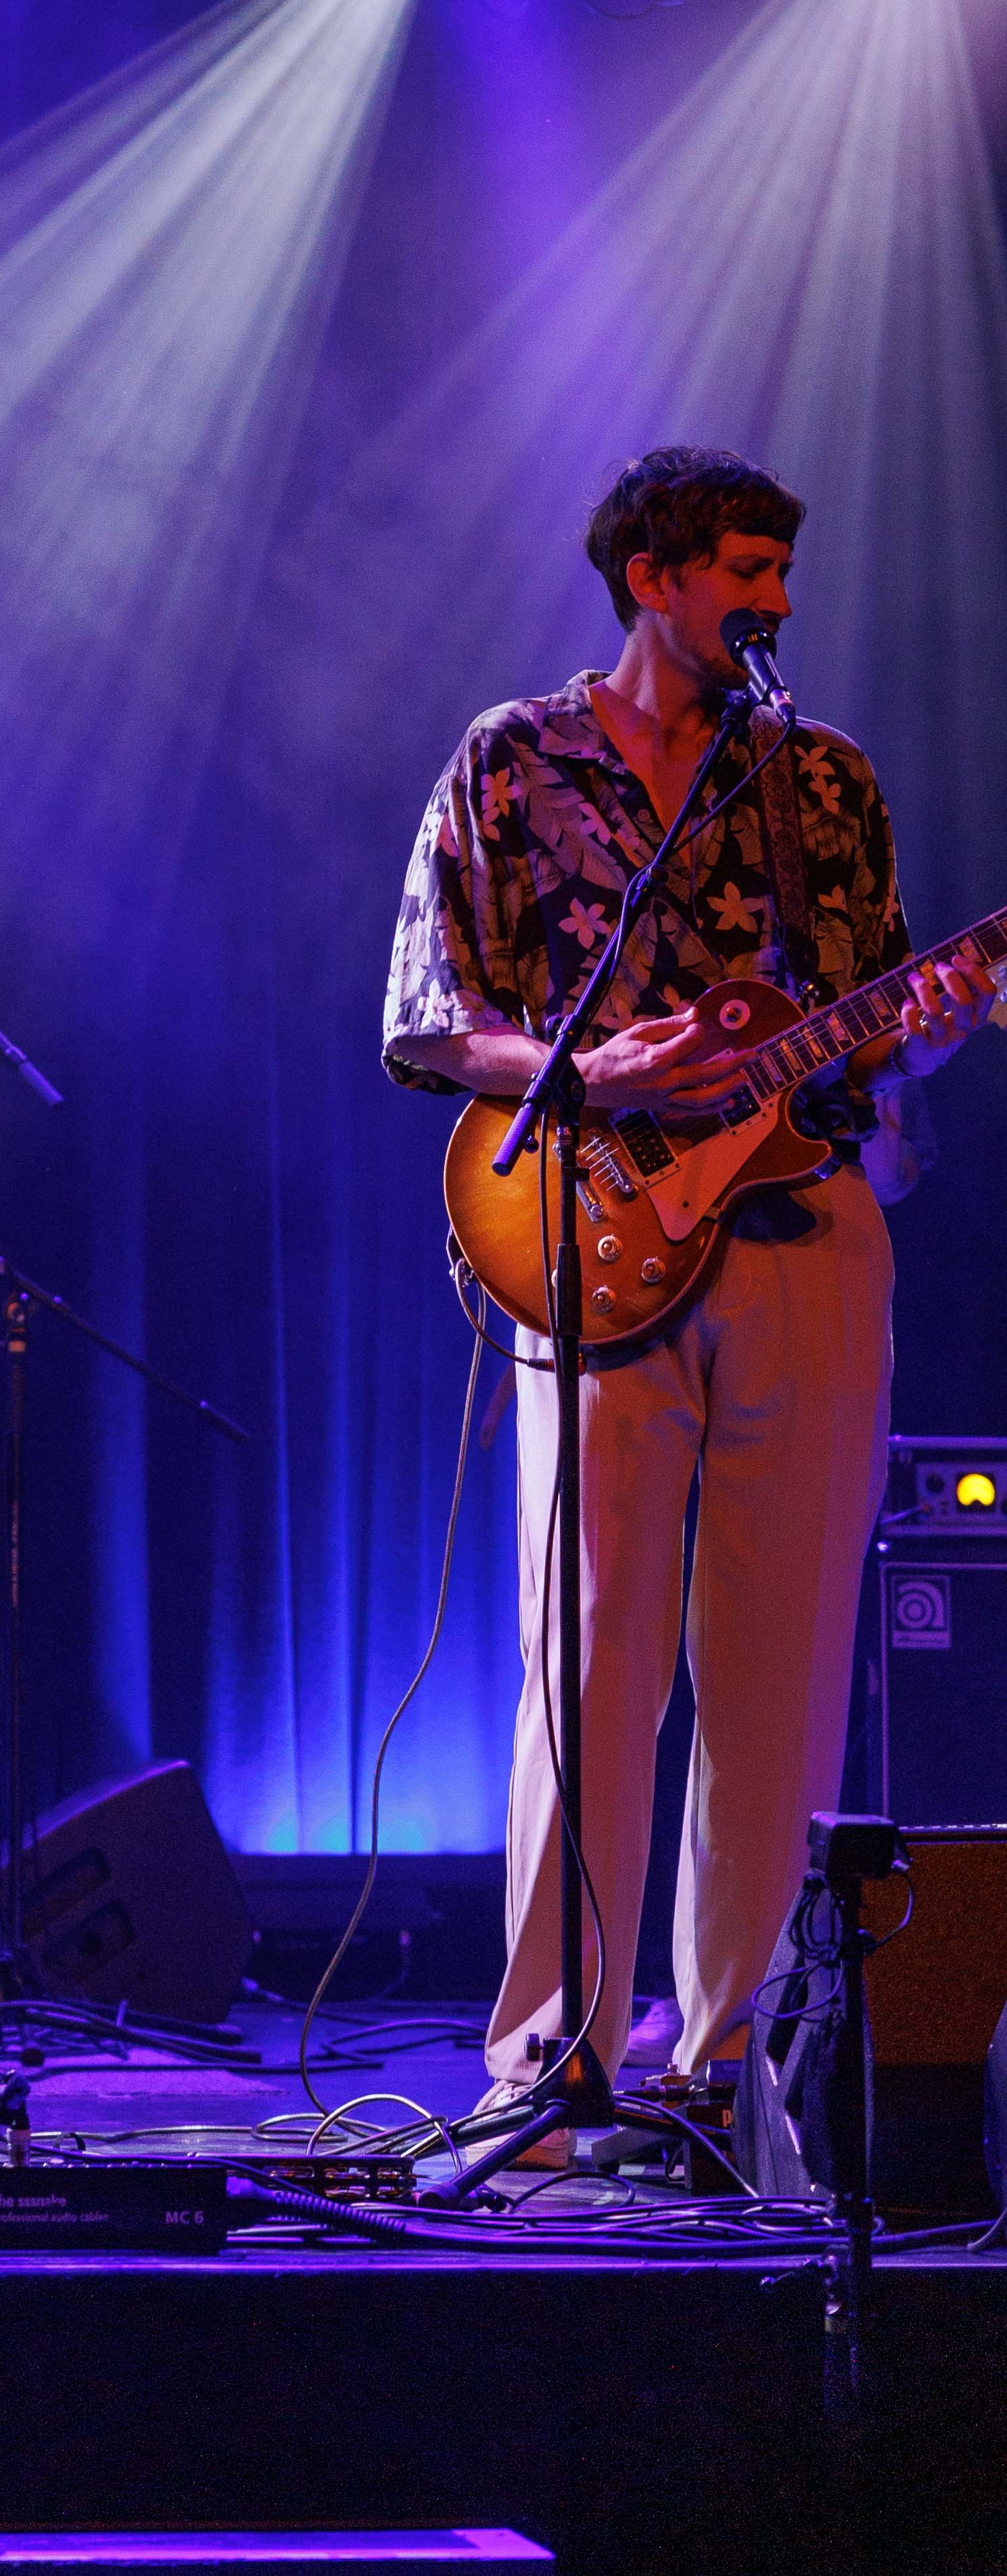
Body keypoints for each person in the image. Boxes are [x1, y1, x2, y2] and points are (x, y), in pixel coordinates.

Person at [383, 446, 991, 2120]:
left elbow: (869, 1020)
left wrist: (928, 1012)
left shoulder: (826, 783)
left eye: (784, 573)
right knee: (586, 1658)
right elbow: (428, 1016)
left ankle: (730, 2062)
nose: (775, 600)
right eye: (742, 568)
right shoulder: (509, 761)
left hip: (801, 1235)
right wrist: (595, 1083)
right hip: (589, 1239)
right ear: (650, 575)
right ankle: (551, 2057)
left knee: (776, 1665)